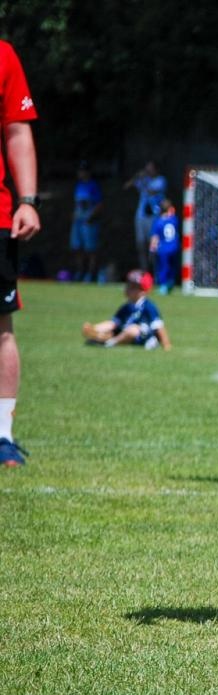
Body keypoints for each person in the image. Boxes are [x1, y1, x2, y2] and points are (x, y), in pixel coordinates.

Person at [0, 39, 39, 470]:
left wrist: (28, 199)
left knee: (1, 325)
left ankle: (2, 435)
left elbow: (16, 128)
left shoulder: (4, 54)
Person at [82, 270, 170, 349]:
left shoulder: (148, 306)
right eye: (127, 286)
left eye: (132, 287)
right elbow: (114, 323)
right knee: (112, 328)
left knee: (133, 330)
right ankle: (96, 333)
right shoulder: (126, 307)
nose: (127, 289)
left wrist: (166, 345)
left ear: (143, 291)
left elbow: (159, 327)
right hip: (124, 333)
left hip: (143, 338)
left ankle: (110, 343)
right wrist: (96, 328)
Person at [125, 161, 166, 272]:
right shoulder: (144, 179)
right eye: (147, 169)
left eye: (150, 169)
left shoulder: (160, 180)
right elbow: (127, 186)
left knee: (152, 245)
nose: (148, 172)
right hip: (141, 216)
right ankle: (144, 270)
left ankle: (156, 271)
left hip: (154, 217)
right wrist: (137, 176)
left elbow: (152, 191)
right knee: (141, 245)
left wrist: (143, 181)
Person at [71, 162, 103, 282]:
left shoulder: (93, 185)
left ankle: (90, 274)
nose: (80, 173)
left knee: (91, 249)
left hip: (89, 221)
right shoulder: (78, 185)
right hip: (78, 221)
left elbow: (100, 204)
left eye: (83, 171)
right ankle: (80, 272)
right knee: (77, 247)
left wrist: (91, 217)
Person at [149, 199, 180, 293]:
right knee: (173, 266)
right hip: (174, 247)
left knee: (163, 267)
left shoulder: (158, 222)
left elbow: (155, 237)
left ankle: (163, 285)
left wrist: (152, 248)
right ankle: (171, 282)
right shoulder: (174, 219)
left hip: (163, 248)